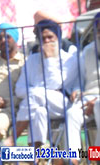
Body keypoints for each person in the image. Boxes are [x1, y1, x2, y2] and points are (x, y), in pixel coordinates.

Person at [13, 19, 79, 153]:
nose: (47, 41)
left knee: (36, 95)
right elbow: (19, 90)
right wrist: (37, 91)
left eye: (50, 37)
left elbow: (55, 84)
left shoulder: (69, 60)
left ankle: (13, 137)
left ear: (58, 38)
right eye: (43, 38)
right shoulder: (32, 60)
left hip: (63, 103)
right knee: (39, 111)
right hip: (36, 104)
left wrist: (49, 59)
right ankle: (35, 157)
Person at [66, 11, 100, 149]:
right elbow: (80, 79)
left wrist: (96, 102)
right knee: (72, 114)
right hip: (88, 97)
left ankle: (97, 157)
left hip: (98, 101)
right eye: (99, 30)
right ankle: (73, 157)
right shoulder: (87, 51)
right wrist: (76, 90)